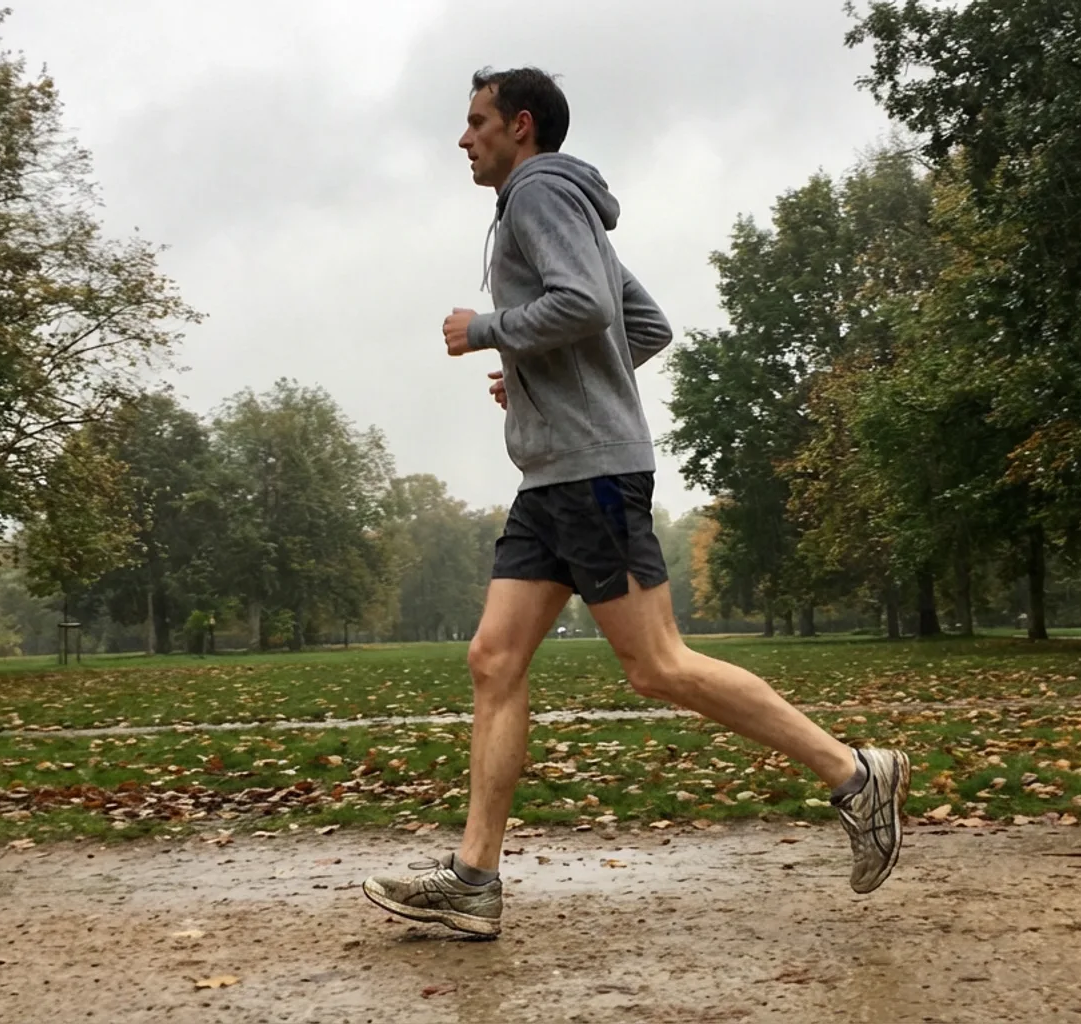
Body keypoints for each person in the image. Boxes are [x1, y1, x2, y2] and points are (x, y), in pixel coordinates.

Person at [361, 67, 909, 937]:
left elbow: (581, 305)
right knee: (493, 661)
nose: (463, 140)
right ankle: (473, 879)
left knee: (657, 665)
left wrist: (491, 331)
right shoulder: (559, 205)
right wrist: (541, 375)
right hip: (551, 476)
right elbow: (641, 326)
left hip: (591, 474)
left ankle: (853, 772)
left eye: (476, 123)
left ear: (522, 126)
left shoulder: (539, 191)